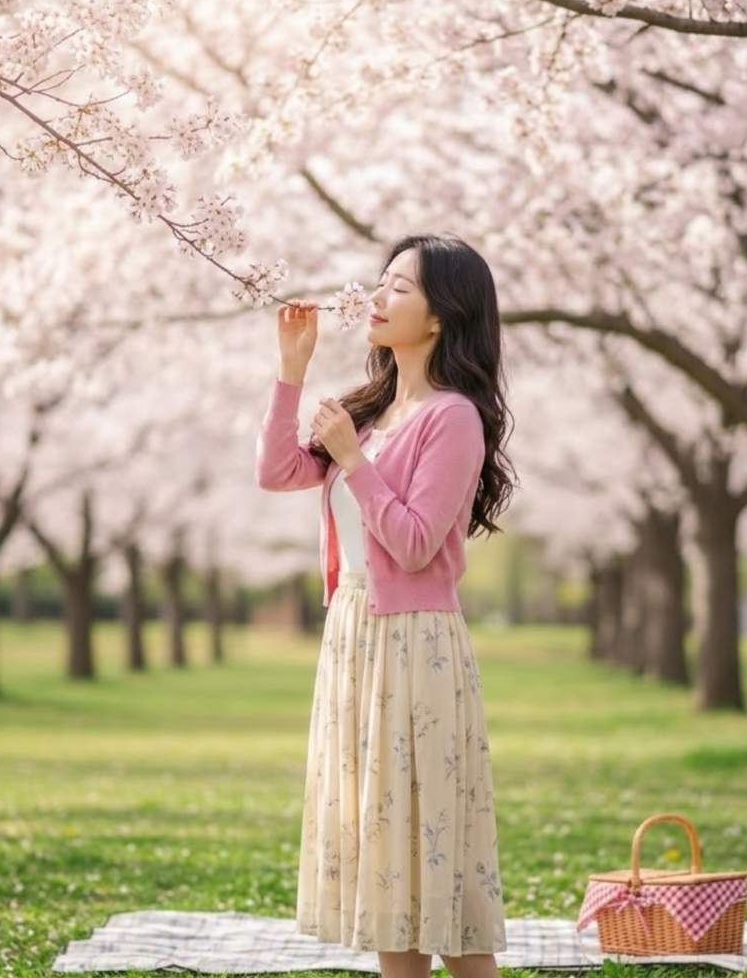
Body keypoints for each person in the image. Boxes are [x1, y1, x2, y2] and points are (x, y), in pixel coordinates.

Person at [256, 233, 515, 978]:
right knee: (384, 853)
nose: (377, 296)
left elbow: (409, 542)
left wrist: (351, 459)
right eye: (381, 281)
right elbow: (275, 472)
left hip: (416, 645)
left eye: (398, 287)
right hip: (355, 638)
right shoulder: (369, 415)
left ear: (439, 316)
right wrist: (290, 373)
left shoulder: (452, 418)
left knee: (437, 851)